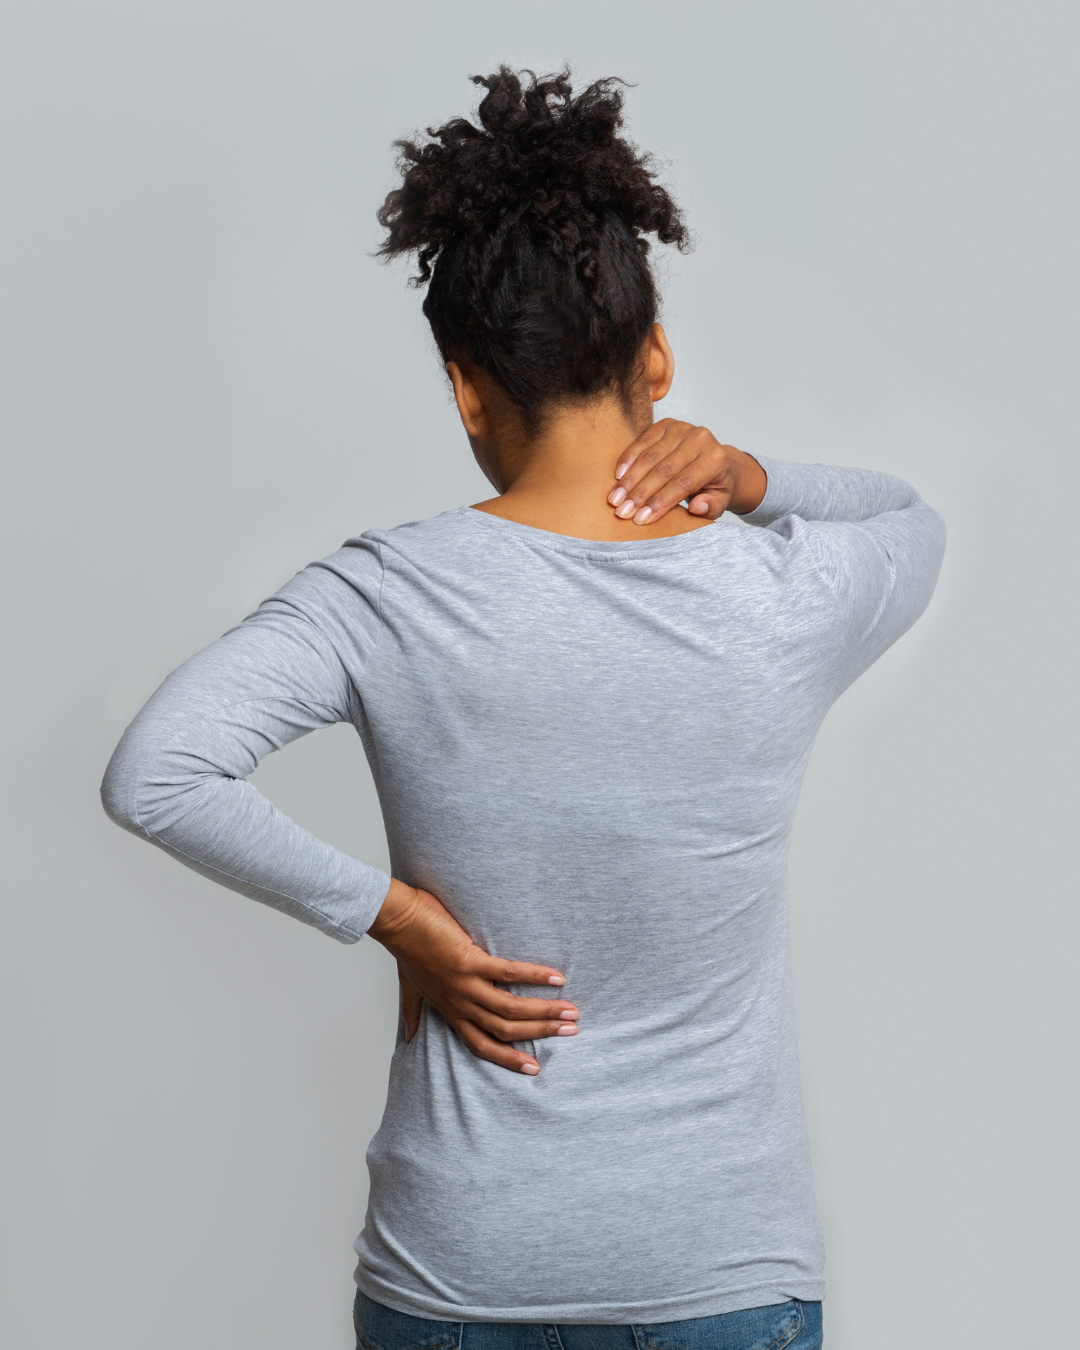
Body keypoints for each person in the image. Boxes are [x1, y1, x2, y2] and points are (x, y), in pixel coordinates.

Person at [101, 67, 945, 1350]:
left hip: (462, 1268)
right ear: (654, 355)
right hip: (716, 1262)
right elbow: (912, 520)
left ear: (466, 388)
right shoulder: (788, 589)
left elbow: (157, 770)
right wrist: (751, 473)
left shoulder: (383, 594)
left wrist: (396, 922)